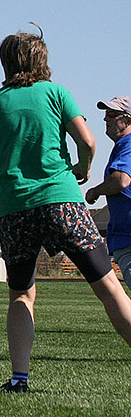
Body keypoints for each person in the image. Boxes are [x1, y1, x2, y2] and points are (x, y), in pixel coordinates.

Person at [0, 28, 131, 393]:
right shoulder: (57, 94)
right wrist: (84, 170)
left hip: (16, 209)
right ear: (42, 60)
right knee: (108, 287)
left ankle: (19, 378)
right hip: (63, 202)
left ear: (7, 62)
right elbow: (87, 140)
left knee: (22, 295)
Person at [85, 96, 131, 282]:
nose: (106, 119)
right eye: (106, 114)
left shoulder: (128, 144)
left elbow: (121, 180)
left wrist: (95, 191)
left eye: (112, 114)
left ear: (127, 119)